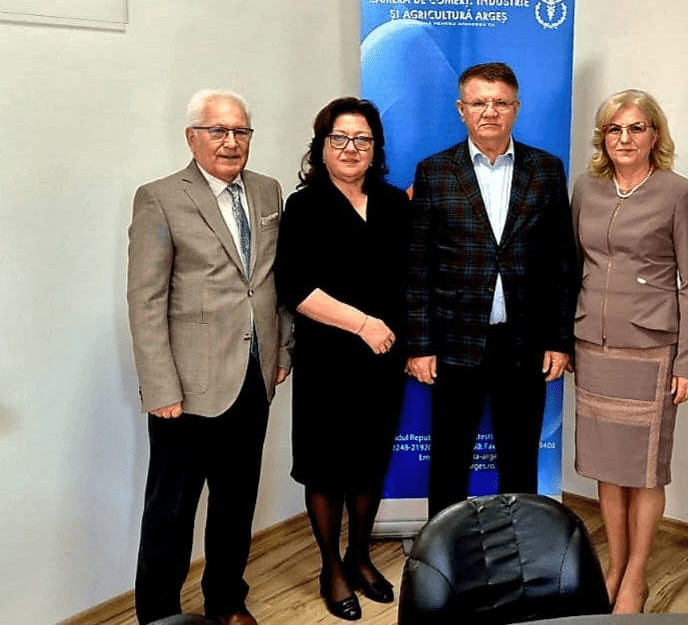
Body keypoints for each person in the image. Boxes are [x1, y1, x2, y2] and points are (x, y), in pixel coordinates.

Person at [127, 89, 292, 625]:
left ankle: (226, 601)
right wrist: (160, 388)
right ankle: (160, 615)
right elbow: (146, 300)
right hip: (186, 389)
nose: (230, 142)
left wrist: (282, 348)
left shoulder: (267, 190)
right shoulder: (159, 198)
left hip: (253, 378)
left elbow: (275, 280)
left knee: (235, 505)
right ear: (192, 137)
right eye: (218, 131)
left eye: (240, 131)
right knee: (171, 513)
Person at [405, 61, 578, 518]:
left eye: (500, 102)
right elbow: (419, 267)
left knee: (520, 459)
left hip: (524, 342)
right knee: (449, 458)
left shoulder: (546, 170)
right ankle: (445, 550)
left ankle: (517, 547)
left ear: (516, 108)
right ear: (461, 109)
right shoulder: (435, 172)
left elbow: (563, 262)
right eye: (479, 102)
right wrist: (420, 345)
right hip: (454, 342)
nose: (490, 111)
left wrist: (560, 340)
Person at [274, 97, 410, 620]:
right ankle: (330, 566)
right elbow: (295, 286)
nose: (351, 148)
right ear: (322, 147)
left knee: (370, 463)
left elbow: (409, 275)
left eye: (362, 139)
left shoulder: (394, 203)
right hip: (328, 361)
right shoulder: (304, 206)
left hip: (383, 360)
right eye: (340, 139)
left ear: (375, 148)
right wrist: (362, 324)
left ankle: (359, 555)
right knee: (327, 467)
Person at [570, 90, 688, 613]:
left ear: (655, 136)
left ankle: (636, 577)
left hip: (651, 348)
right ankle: (615, 566)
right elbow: (571, 265)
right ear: (603, 137)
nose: (624, 138)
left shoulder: (678, 192)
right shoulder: (587, 187)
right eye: (614, 129)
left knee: (644, 469)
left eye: (636, 128)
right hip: (594, 345)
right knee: (608, 466)